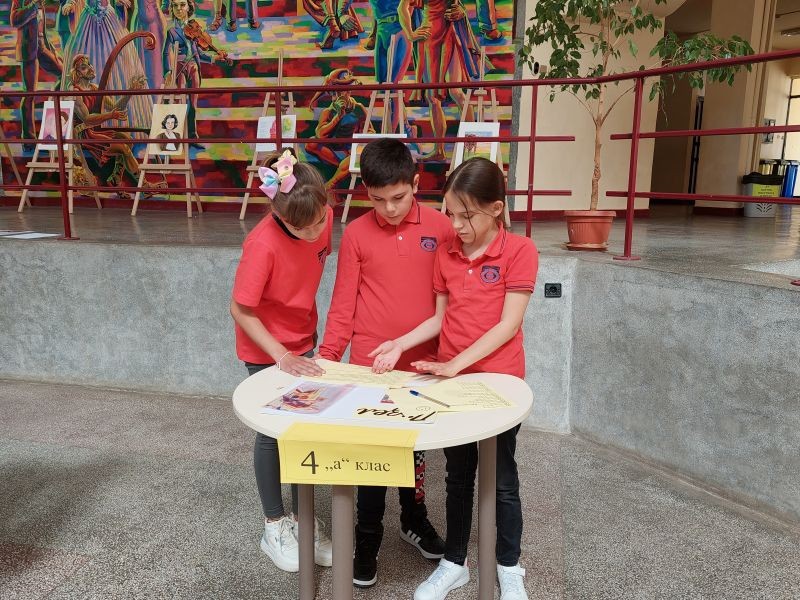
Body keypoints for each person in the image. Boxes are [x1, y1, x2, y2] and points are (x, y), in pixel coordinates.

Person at [369, 157, 538, 600]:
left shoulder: (520, 251)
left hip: (499, 383)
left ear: (496, 209)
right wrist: (399, 344)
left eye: (466, 216)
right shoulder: (446, 253)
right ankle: (454, 562)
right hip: (454, 383)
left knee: (502, 478)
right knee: (458, 476)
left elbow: (508, 325)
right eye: (449, 213)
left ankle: (509, 566)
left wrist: (454, 364)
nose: (456, 225)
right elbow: (439, 319)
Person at [318, 138, 450, 588]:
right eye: (378, 200)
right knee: (372, 454)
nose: (390, 209)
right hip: (370, 365)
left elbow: (452, 301)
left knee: (414, 448)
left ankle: (414, 518)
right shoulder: (356, 233)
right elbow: (343, 304)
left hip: (422, 364)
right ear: (366, 193)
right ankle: (367, 535)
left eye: (399, 197)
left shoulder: (441, 227)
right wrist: (328, 360)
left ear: (416, 183)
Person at [230, 149, 334, 574]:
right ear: (279, 215)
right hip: (266, 349)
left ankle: (303, 518)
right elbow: (240, 309)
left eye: (319, 223)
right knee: (273, 432)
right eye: (301, 228)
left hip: (303, 339)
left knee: (305, 428)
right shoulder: (262, 245)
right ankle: (274, 525)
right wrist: (281, 355)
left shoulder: (323, 215)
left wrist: (308, 345)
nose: (314, 233)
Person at [11, 0, 64, 151]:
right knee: (29, 94)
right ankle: (29, 140)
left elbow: (42, 31)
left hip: (42, 47)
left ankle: (52, 113)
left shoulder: (41, 3)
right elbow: (14, 20)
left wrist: (53, 50)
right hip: (28, 49)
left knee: (64, 73)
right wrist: (33, 5)